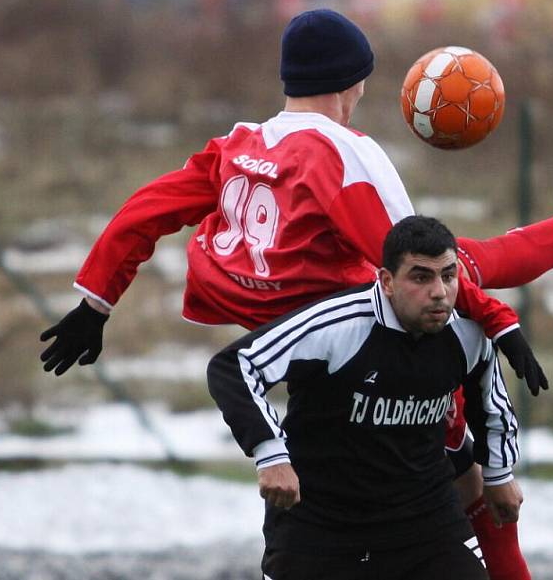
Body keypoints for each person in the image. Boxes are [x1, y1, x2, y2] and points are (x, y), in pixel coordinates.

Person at [39, 8, 553, 580]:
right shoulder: (342, 153)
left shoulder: (240, 144)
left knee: (463, 447)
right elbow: (413, 258)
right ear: (351, 81)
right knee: (470, 440)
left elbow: (145, 210)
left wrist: (95, 304)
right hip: (359, 337)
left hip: (296, 343)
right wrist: (499, 322)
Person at [207, 215, 523, 580]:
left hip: (423, 523)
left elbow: (491, 402)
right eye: (421, 277)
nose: (439, 291)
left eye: (449, 276)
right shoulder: (338, 325)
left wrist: (498, 473)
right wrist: (270, 453)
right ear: (387, 281)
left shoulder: (466, 333)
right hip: (320, 525)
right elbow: (234, 365)